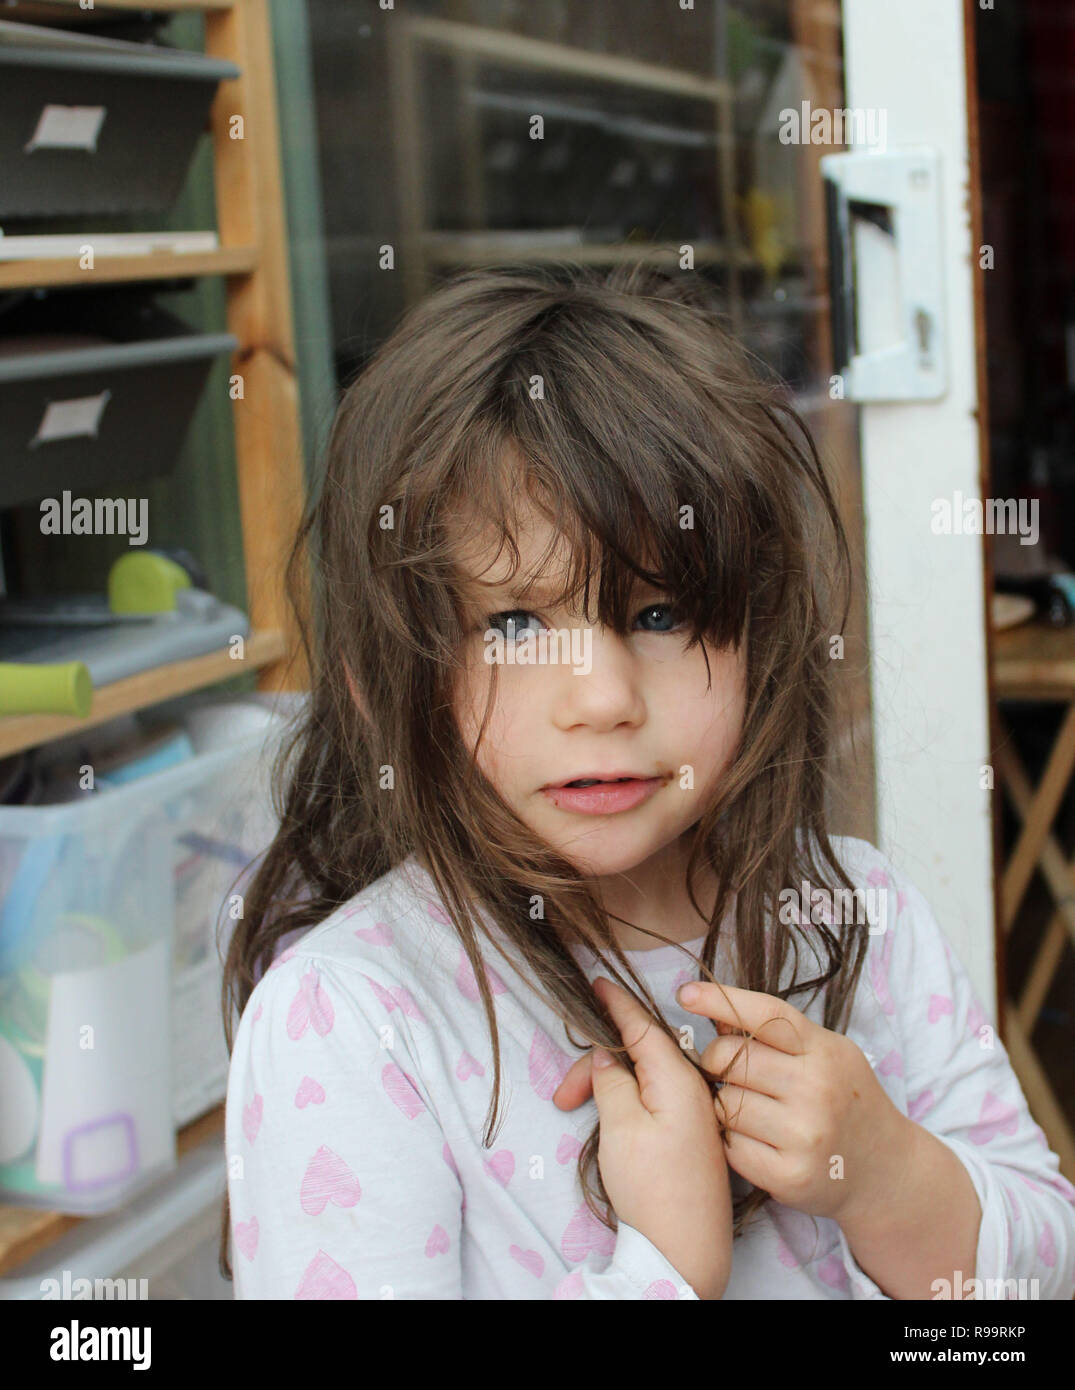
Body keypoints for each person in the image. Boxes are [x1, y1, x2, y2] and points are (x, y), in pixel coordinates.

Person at [220, 262, 1075, 1299]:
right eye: (514, 623)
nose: (601, 699)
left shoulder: (857, 913)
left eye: (659, 615)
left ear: (761, 635)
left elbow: (1042, 1274)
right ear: (377, 678)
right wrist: (665, 1265)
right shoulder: (353, 1021)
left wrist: (882, 1170)